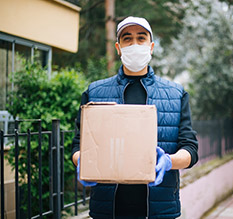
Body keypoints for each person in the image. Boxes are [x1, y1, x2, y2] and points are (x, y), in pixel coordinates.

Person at [71, 16, 198, 219]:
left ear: (151, 46)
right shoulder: (94, 92)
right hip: (107, 211)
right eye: (127, 39)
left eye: (141, 38)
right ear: (118, 47)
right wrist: (83, 163)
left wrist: (167, 161)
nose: (134, 44)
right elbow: (77, 147)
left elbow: (190, 150)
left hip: (159, 211)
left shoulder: (176, 94)